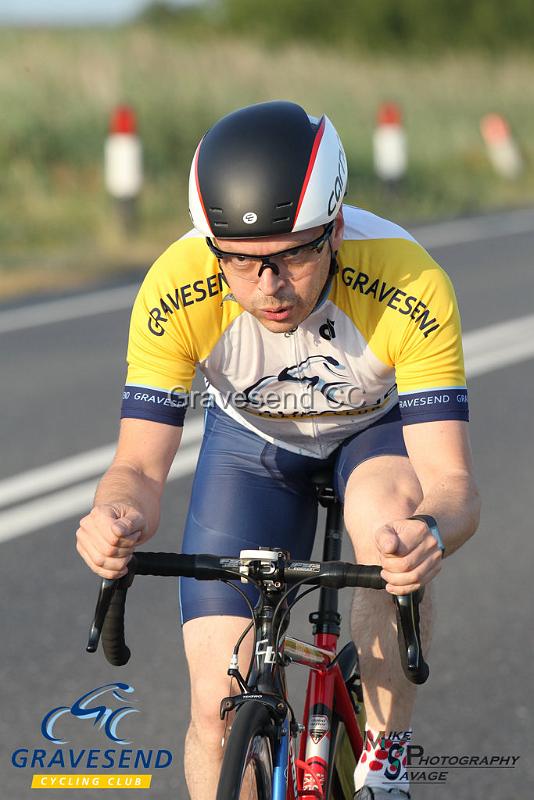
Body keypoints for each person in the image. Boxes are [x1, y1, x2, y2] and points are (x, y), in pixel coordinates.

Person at [76, 100, 480, 800]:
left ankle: (385, 771)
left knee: (391, 526)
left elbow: (452, 484)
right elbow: (138, 467)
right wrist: (113, 517)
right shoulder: (176, 288)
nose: (268, 287)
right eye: (240, 261)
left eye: (292, 255)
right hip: (253, 446)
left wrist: (426, 534)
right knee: (212, 705)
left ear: (336, 230)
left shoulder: (409, 283)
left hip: (373, 433)